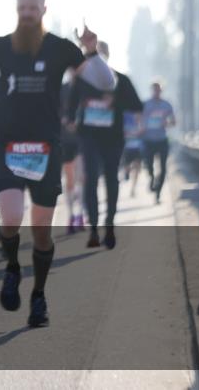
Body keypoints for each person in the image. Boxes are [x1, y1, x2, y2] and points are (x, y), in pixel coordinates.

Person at [0, 0, 115, 328]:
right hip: (8, 146)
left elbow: (105, 83)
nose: (27, 13)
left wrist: (91, 51)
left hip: (45, 148)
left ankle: (39, 296)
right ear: (16, 10)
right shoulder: (0, 46)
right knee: (11, 218)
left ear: (44, 10)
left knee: (41, 229)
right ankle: (13, 268)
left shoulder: (60, 48)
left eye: (33, 8)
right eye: (22, 8)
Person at [66, 41, 143, 249]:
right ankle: (93, 229)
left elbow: (137, 106)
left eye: (100, 54)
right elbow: (70, 108)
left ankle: (109, 224)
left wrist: (114, 101)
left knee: (111, 179)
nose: (96, 58)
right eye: (92, 54)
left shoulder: (120, 80)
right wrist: (72, 119)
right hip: (89, 137)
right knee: (90, 178)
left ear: (107, 56)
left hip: (113, 138)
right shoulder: (81, 80)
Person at [59, 69, 85, 234]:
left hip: (83, 140)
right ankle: (70, 215)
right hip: (66, 140)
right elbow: (55, 111)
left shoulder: (87, 88)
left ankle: (81, 215)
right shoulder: (61, 89)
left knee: (82, 177)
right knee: (69, 179)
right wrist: (64, 120)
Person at [142, 82, 176, 203]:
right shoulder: (145, 104)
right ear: (152, 90)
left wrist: (167, 123)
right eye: (154, 90)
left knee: (163, 168)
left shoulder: (166, 105)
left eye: (159, 90)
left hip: (162, 139)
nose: (157, 92)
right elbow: (138, 117)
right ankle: (151, 178)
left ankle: (158, 193)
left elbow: (174, 121)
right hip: (148, 140)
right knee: (149, 165)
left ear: (161, 91)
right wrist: (141, 126)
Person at [121, 109, 144, 196]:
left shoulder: (140, 117)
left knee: (137, 168)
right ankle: (127, 172)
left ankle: (133, 189)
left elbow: (143, 130)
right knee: (127, 167)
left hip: (137, 147)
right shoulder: (125, 115)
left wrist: (140, 129)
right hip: (126, 147)